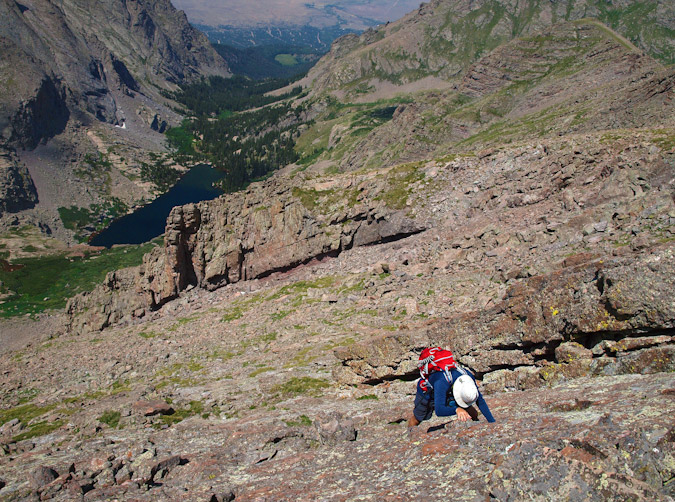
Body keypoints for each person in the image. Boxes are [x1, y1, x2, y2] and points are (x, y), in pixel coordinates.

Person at [408, 347, 495, 429]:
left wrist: (492, 422)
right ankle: (410, 433)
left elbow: (480, 401)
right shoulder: (441, 382)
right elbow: (439, 410)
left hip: (450, 390)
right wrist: (457, 409)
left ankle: (475, 422)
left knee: (472, 412)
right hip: (427, 394)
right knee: (418, 418)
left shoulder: (467, 376)